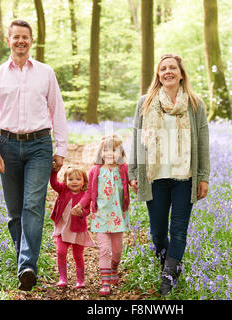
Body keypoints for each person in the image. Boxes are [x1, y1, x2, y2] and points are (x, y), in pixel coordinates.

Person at [0, 20, 68, 291]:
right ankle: (24, 263)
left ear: (32, 41)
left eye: (25, 37)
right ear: (8, 40)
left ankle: (27, 265)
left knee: (32, 205)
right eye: (16, 37)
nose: (21, 41)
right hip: (7, 146)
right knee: (15, 212)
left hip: (40, 145)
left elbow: (58, 111)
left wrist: (60, 149)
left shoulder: (45, 73)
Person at [129, 53, 210, 296]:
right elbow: (136, 139)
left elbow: (203, 142)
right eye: (163, 68)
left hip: (185, 176)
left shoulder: (195, 104)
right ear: (158, 74)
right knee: (157, 231)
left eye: (172, 68)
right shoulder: (146, 102)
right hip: (156, 176)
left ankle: (168, 276)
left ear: (181, 73)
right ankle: (170, 263)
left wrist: (203, 176)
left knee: (179, 229)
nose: (168, 72)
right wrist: (134, 171)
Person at [71, 135, 130, 296]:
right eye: (106, 150)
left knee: (117, 250)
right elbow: (89, 192)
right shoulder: (95, 170)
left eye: (114, 150)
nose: (109, 153)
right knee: (104, 250)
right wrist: (80, 205)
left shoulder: (123, 168)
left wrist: (137, 185)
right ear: (101, 152)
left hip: (118, 216)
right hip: (101, 216)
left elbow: (132, 181)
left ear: (121, 152)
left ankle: (114, 267)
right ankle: (105, 282)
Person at [49, 166, 95, 289]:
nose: (74, 181)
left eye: (78, 179)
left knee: (78, 256)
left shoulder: (85, 196)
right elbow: (53, 184)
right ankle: (62, 278)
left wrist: (82, 213)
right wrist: (54, 172)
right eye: (70, 179)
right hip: (62, 229)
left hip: (77, 230)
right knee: (60, 252)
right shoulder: (63, 190)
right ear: (65, 181)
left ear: (84, 182)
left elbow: (87, 210)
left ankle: (80, 280)